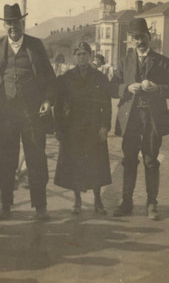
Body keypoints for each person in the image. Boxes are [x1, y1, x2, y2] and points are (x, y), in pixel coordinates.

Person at [0, 3, 57, 221]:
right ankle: (5, 206)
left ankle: (40, 207)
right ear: (5, 26)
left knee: (36, 159)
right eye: (9, 24)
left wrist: (48, 101)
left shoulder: (35, 46)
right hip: (6, 116)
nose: (12, 27)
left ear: (23, 23)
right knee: (6, 160)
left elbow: (50, 78)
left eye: (16, 23)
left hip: (32, 114)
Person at [111, 18, 169, 220]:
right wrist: (126, 88)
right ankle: (126, 202)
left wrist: (158, 88)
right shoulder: (124, 62)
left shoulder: (162, 61)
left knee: (150, 161)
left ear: (149, 37)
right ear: (130, 40)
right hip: (130, 118)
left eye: (142, 37)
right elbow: (111, 87)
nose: (139, 41)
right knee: (129, 160)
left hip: (152, 118)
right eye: (135, 38)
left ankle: (152, 204)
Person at [54, 42, 112, 215]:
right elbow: (58, 105)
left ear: (90, 55)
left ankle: (98, 201)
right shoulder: (66, 78)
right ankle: (77, 201)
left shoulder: (100, 77)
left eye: (85, 53)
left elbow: (107, 104)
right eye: (78, 54)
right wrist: (58, 128)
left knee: (96, 164)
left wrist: (105, 125)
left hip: (94, 126)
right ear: (74, 56)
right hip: (73, 127)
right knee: (75, 164)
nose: (82, 57)